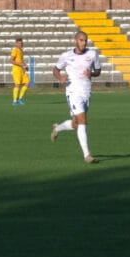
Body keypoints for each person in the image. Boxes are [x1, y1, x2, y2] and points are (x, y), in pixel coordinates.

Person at [50, 31, 102, 163]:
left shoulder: (92, 54)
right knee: (82, 119)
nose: (84, 43)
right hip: (72, 92)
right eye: (81, 40)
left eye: (85, 40)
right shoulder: (66, 56)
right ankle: (87, 155)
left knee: (76, 124)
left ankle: (57, 128)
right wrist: (60, 78)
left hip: (86, 92)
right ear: (75, 40)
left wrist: (92, 73)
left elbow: (98, 71)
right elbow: (55, 69)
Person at [10, 37, 29, 106]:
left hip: (21, 69)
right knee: (17, 85)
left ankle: (20, 99)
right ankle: (14, 101)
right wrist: (20, 64)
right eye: (19, 43)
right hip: (16, 70)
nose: (20, 44)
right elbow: (11, 60)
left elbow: (21, 60)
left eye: (21, 43)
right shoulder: (15, 50)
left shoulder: (21, 51)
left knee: (27, 83)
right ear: (16, 44)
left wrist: (25, 65)